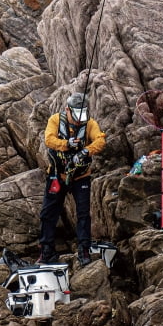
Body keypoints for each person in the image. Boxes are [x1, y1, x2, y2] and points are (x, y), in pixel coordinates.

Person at [40, 89, 106, 266]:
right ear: (68, 110)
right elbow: (49, 139)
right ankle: (47, 250)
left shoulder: (90, 124)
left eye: (83, 113)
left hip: (80, 176)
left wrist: (86, 151)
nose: (80, 118)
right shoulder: (55, 120)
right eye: (76, 113)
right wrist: (66, 144)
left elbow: (100, 140)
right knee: (48, 213)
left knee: (83, 213)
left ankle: (84, 249)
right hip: (57, 174)